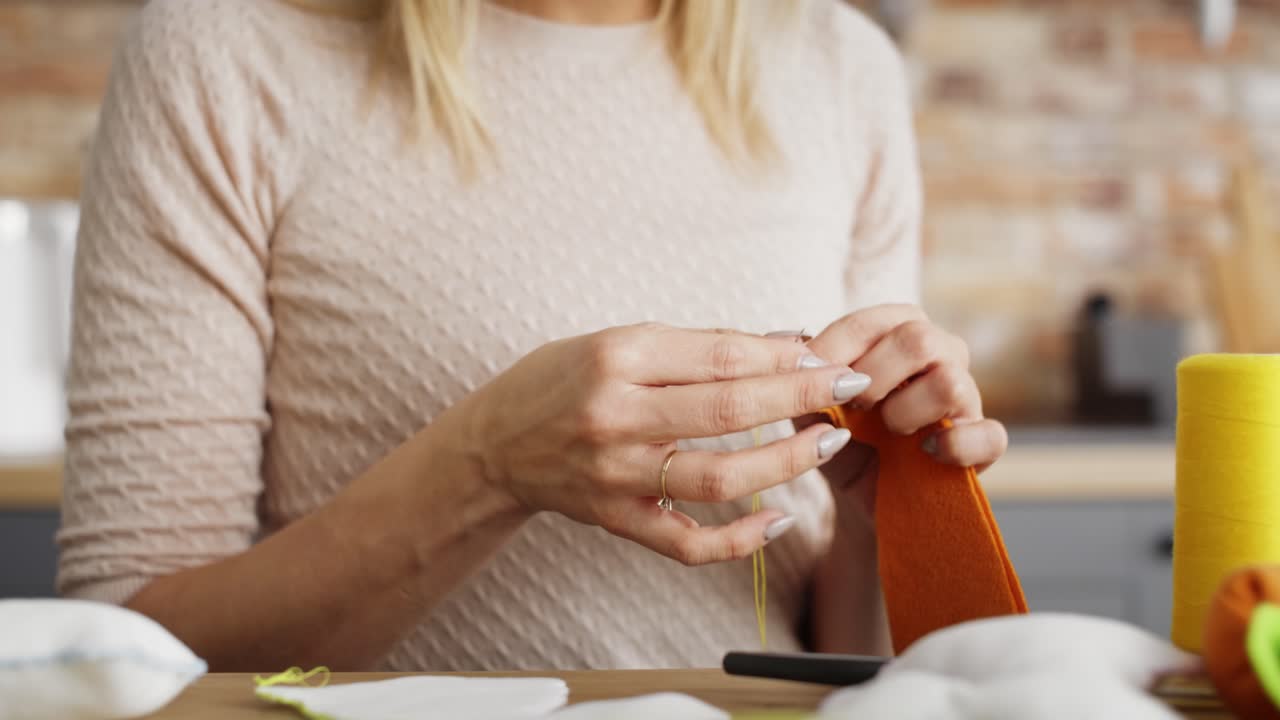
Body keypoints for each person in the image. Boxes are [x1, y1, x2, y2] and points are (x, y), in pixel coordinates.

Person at [57, 0, 1008, 672]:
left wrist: (887, 522)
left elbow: (839, 656)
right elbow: (124, 650)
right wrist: (484, 467)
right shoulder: (222, 51)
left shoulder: (841, 64)